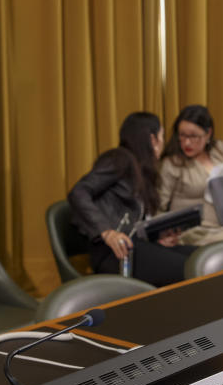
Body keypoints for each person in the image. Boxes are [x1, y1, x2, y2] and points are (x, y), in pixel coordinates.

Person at [68, 111, 195, 286]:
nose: (163, 142)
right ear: (152, 140)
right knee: (192, 268)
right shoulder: (119, 158)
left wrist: (157, 237)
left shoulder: (140, 170)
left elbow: (136, 222)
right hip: (114, 254)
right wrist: (107, 232)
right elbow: (79, 191)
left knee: (201, 257)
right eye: (161, 136)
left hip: (136, 246)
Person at [157, 105, 223, 245]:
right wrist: (162, 234)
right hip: (198, 231)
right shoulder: (172, 164)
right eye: (182, 135)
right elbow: (159, 207)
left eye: (194, 136)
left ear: (208, 134)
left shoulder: (220, 149)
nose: (187, 142)